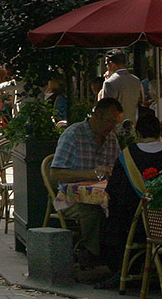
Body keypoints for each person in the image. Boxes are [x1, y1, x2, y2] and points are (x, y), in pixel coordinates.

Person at [99, 113, 162, 281]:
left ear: (138, 133)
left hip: (136, 225)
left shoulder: (127, 155)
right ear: (159, 133)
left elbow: (113, 191)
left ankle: (122, 269)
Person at [49, 98, 124, 266]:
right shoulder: (73, 134)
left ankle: (117, 259)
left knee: (123, 210)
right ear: (97, 115)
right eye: (110, 121)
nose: (112, 127)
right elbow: (55, 173)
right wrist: (91, 174)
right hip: (71, 198)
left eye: (116, 123)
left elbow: (118, 170)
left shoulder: (111, 139)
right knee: (92, 211)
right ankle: (91, 254)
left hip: (104, 196)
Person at [99, 50, 143, 124]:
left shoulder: (109, 83)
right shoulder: (136, 80)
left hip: (115, 125)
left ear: (111, 64)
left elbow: (104, 107)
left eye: (106, 65)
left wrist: (106, 80)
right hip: (132, 123)